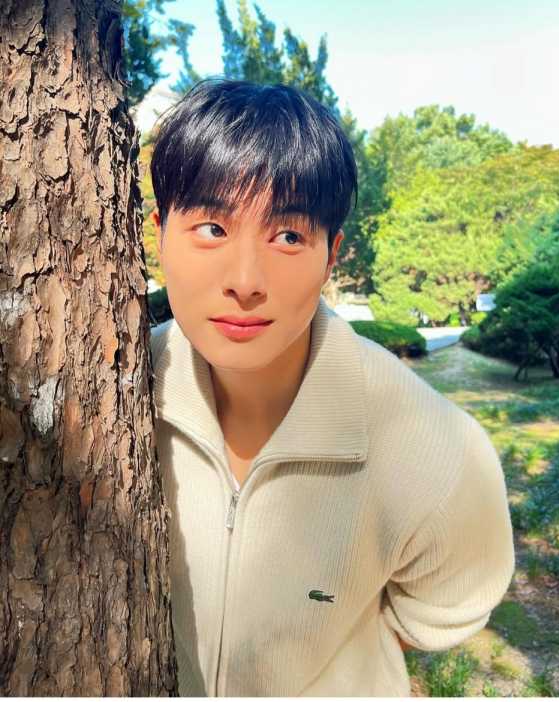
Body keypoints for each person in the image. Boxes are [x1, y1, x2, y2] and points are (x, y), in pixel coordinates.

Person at [148, 77, 515, 697]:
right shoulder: (113, 393)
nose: (246, 280)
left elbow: (448, 605)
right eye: (212, 228)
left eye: (289, 236)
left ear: (331, 254)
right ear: (160, 232)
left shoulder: (434, 444)